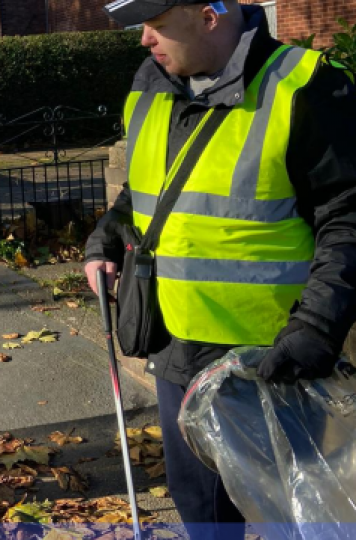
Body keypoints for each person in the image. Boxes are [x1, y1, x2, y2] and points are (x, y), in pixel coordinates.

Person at [85, 1, 356, 538]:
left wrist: (316, 329)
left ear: (209, 16)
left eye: (157, 26)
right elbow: (145, 190)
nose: (144, 40)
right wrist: (106, 237)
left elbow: (347, 216)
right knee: (202, 509)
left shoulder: (305, 86)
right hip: (174, 346)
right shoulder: (151, 85)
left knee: (296, 515)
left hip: (270, 362)